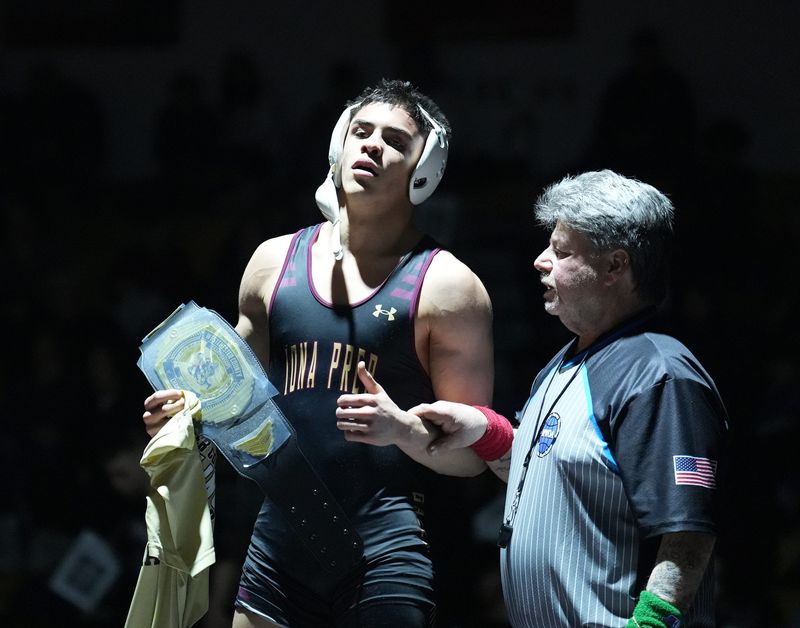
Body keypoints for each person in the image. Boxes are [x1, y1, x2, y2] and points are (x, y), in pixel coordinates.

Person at [141, 78, 494, 627]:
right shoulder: (270, 264)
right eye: (361, 131)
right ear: (338, 144)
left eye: (396, 140)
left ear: (424, 171)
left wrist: (401, 429)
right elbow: (233, 403)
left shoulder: (450, 289)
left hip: (385, 553)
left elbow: (473, 457)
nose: (372, 145)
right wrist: (186, 415)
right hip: (279, 545)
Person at [413, 169, 729, 627]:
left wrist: (650, 625)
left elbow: (688, 533)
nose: (541, 261)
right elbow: (540, 480)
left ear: (615, 266)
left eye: (561, 252)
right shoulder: (566, 362)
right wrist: (485, 431)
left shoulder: (659, 374)